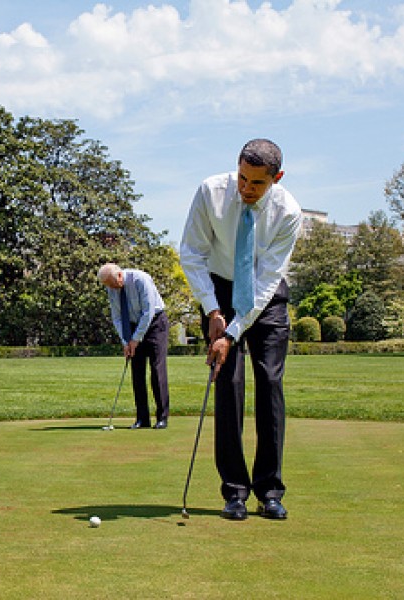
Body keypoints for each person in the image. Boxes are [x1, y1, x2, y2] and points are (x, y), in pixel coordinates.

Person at [179, 139, 302, 521]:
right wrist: (212, 308)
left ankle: (270, 491)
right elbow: (192, 253)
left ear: (276, 178)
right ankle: (234, 492)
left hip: (265, 298)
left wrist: (233, 332)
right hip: (218, 288)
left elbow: (266, 282)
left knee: (269, 383)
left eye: (257, 184)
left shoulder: (289, 212)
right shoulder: (210, 191)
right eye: (243, 178)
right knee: (228, 385)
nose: (246, 189)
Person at [98, 263, 170, 429]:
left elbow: (148, 312)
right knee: (137, 372)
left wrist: (135, 339)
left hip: (155, 324)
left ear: (120, 276)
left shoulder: (141, 279)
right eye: (108, 286)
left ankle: (162, 417)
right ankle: (142, 419)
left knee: (157, 369)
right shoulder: (111, 288)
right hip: (131, 326)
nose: (112, 289)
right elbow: (117, 317)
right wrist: (126, 341)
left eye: (112, 284)